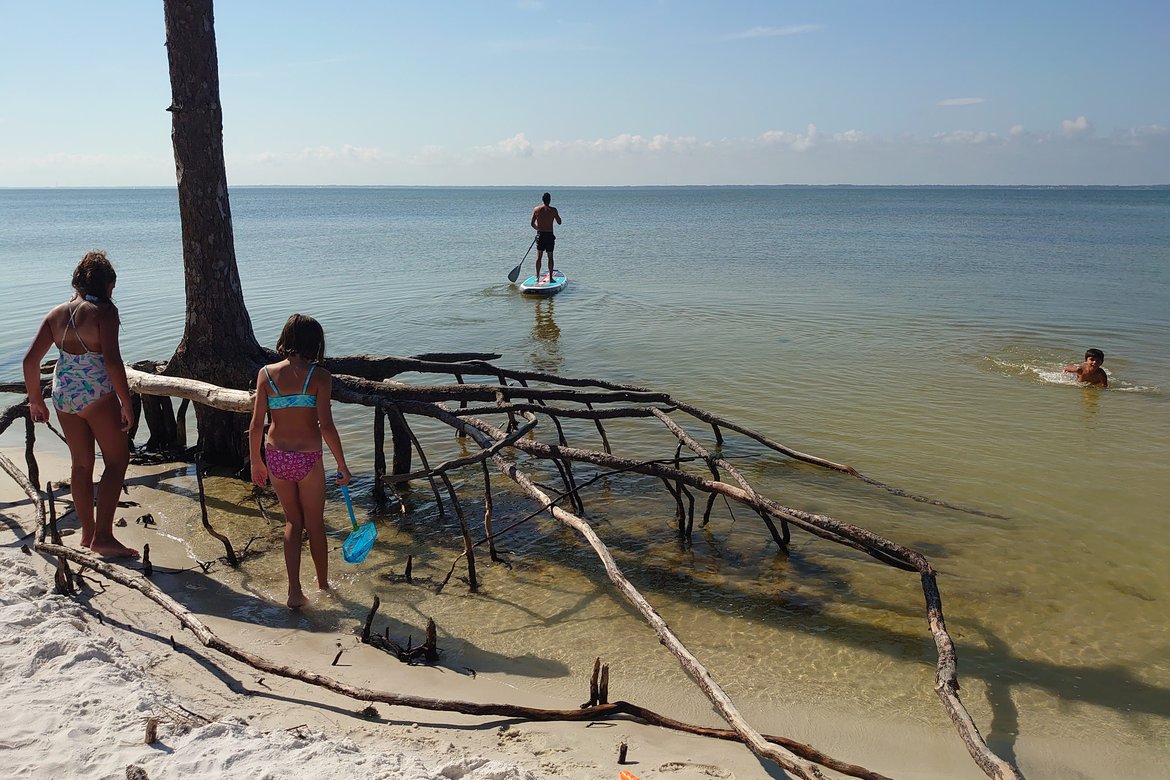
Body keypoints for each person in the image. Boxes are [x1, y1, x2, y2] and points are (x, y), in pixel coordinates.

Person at [22, 251, 138, 558]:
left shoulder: (57, 313)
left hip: (63, 394)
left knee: (81, 464)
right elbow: (112, 362)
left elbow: (30, 360)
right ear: (107, 284)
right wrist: (126, 403)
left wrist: (36, 400)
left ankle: (87, 533)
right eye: (112, 286)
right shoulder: (104, 313)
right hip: (97, 393)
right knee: (116, 462)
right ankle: (103, 536)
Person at [248, 314, 353, 609]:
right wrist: (342, 465)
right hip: (308, 458)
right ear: (316, 343)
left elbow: (256, 425)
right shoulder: (319, 377)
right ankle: (323, 587)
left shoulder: (266, 374)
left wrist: (257, 461)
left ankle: (294, 591)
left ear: (285, 339)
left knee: (293, 522)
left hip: (276, 456)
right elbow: (326, 426)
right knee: (315, 524)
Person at [530, 191, 562, 281]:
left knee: (539, 257)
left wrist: (538, 229)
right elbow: (559, 222)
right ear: (550, 200)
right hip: (549, 236)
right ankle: (551, 278)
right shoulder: (553, 210)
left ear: (542, 200)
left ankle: (537, 277)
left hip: (540, 235)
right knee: (550, 256)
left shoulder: (536, 209)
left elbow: (532, 223)